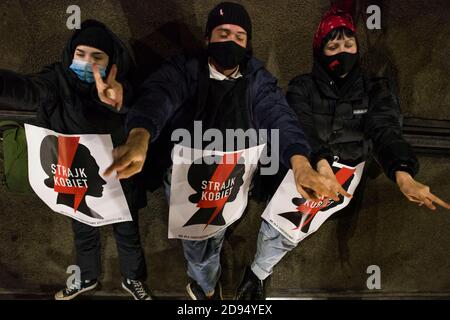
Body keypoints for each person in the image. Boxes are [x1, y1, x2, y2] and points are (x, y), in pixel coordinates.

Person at [104, 2, 347, 300]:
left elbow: (279, 116)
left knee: (220, 227)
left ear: (247, 44)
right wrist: (140, 135)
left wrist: (300, 163)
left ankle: (209, 267)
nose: (231, 40)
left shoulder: (257, 78)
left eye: (239, 36)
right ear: (207, 39)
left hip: (232, 175)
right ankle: (204, 285)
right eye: (223, 33)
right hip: (186, 175)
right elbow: (160, 95)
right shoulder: (185, 68)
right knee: (196, 239)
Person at [235, 3, 450, 300]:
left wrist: (402, 172)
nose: (342, 52)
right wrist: (319, 163)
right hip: (308, 164)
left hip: (347, 171)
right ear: (319, 52)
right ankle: (257, 274)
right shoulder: (303, 86)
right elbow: (302, 125)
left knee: (305, 223)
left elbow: (385, 129)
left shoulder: (375, 89)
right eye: (333, 46)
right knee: (282, 222)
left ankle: (258, 271)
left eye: (348, 44)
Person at [0, 20, 151, 300]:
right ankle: (87, 278)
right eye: (80, 54)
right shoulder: (57, 81)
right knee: (83, 230)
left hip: (119, 179)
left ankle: (133, 279)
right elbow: (27, 90)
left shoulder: (124, 87)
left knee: (127, 234)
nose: (87, 62)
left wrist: (121, 101)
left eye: (97, 57)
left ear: (112, 62)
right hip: (75, 178)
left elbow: (143, 107)